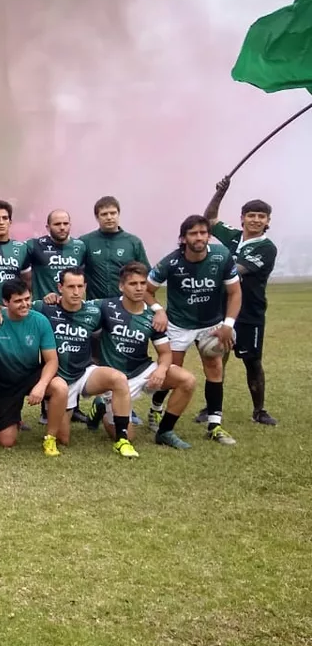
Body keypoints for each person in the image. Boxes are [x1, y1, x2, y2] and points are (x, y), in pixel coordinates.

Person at [0, 267, 137, 457]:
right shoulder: (44, 308)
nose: (76, 292)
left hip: (83, 372)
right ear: (60, 287)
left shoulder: (95, 311)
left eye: (80, 286)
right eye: (71, 286)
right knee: (61, 439)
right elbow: (14, 304)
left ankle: (121, 438)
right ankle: (13, 419)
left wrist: (156, 309)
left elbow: (126, 306)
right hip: (56, 376)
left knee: (119, 379)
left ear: (85, 287)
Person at [146, 215, 241, 445]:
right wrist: (159, 310)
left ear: (209, 235)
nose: (199, 237)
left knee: (214, 368)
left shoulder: (221, 256)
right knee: (173, 372)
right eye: (193, 233)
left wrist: (228, 325)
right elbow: (147, 290)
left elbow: (235, 292)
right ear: (183, 238)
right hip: (179, 325)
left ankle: (215, 425)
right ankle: (155, 409)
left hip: (211, 324)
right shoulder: (171, 262)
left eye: (203, 232)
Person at [97, 262, 196, 449]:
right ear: (121, 286)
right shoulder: (105, 306)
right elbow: (76, 307)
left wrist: (161, 369)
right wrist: (53, 299)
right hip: (115, 379)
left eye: (142, 283)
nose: (139, 288)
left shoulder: (152, 317)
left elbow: (165, 352)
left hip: (143, 370)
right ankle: (101, 408)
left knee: (187, 380)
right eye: (133, 284)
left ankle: (165, 431)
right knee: (128, 436)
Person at [204, 178, 279, 425]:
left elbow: (237, 270)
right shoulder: (234, 237)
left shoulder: (266, 248)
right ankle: (212, 408)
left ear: (267, 221)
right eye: (251, 215)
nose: (256, 220)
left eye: (261, 216)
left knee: (252, 361)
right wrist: (220, 193)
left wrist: (207, 266)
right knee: (217, 357)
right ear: (242, 218)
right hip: (222, 310)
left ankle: (259, 411)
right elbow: (209, 220)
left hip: (249, 312)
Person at [0, 278, 65, 453]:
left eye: (27, 299)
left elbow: (52, 360)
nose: (25, 304)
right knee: (6, 441)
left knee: (60, 386)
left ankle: (50, 439)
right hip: (4, 381)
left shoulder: (40, 321)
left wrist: (41, 385)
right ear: (6, 302)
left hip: (30, 375)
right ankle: (2, 422)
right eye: (18, 301)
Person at [80, 196, 149, 300]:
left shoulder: (133, 242)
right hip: (96, 304)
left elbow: (145, 274)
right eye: (104, 214)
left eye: (113, 213)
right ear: (97, 217)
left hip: (125, 304)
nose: (109, 217)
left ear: (118, 214)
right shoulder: (85, 242)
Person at [26, 210, 87, 301]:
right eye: (57, 224)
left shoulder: (81, 247)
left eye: (65, 224)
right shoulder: (34, 245)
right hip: (43, 305)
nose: (62, 227)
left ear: (70, 225)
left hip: (71, 305)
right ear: (48, 227)